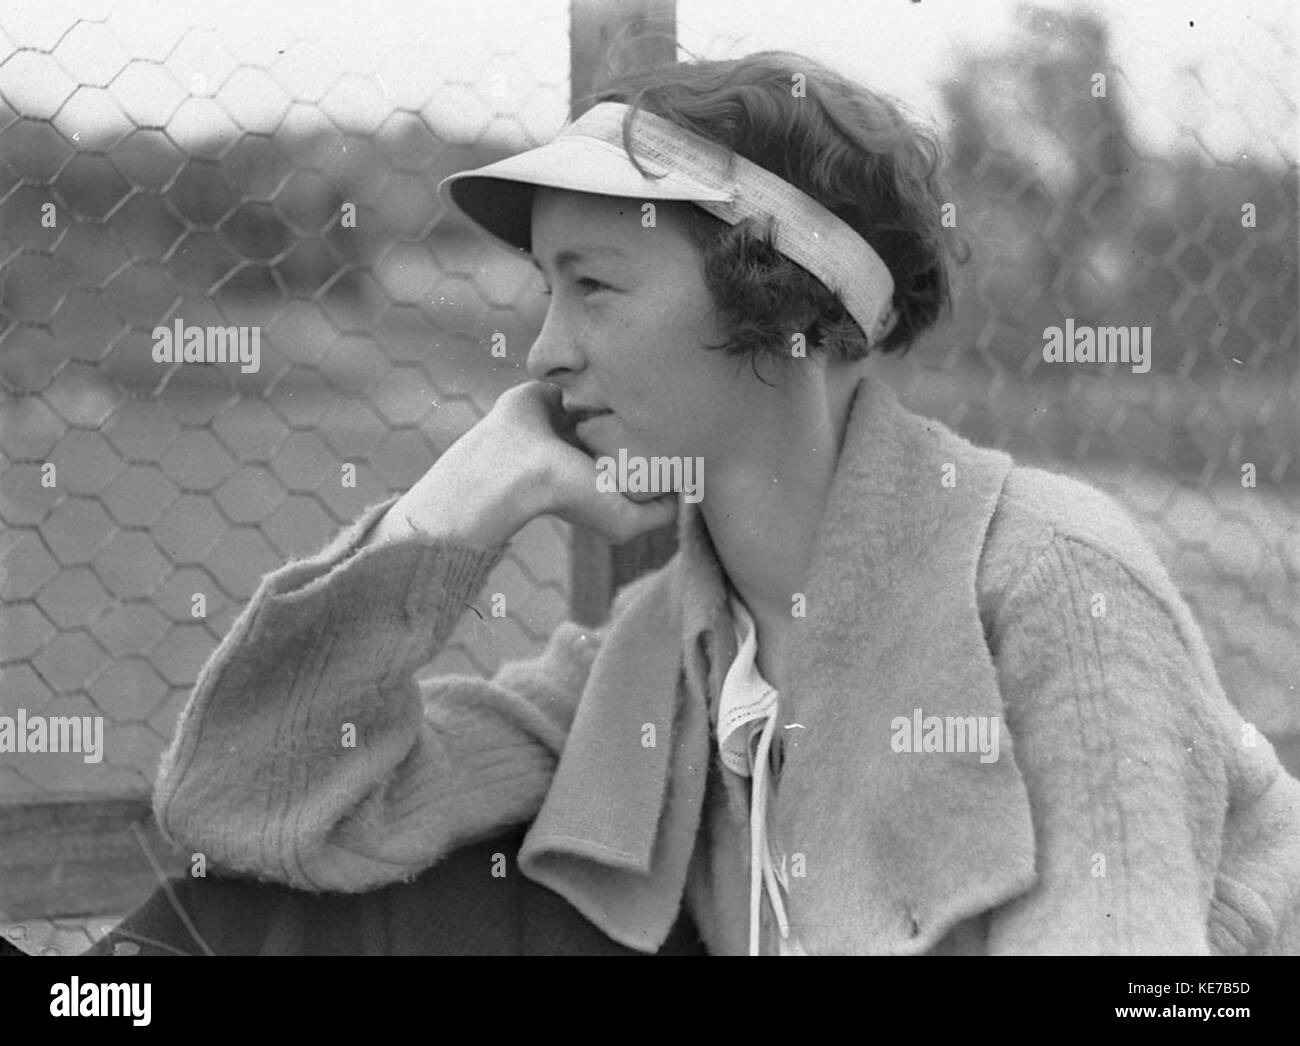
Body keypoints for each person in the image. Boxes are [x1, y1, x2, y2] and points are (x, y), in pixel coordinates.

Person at [108, 51, 1300, 956]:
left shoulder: (1050, 584)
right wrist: (463, 499)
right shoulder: (668, 660)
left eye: (593, 287)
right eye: (545, 289)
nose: (539, 352)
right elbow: (242, 803)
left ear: (779, 308)